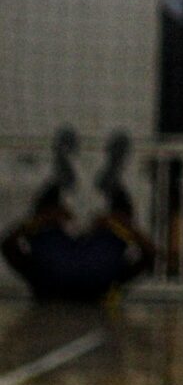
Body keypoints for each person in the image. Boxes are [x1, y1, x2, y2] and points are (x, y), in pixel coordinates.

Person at [3, 129, 153, 304]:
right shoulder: (111, 276)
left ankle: (60, 181)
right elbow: (150, 253)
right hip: (93, 268)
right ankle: (111, 187)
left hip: (61, 269)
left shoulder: (40, 273)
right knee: (117, 221)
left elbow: (8, 245)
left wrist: (40, 220)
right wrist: (127, 226)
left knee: (47, 218)